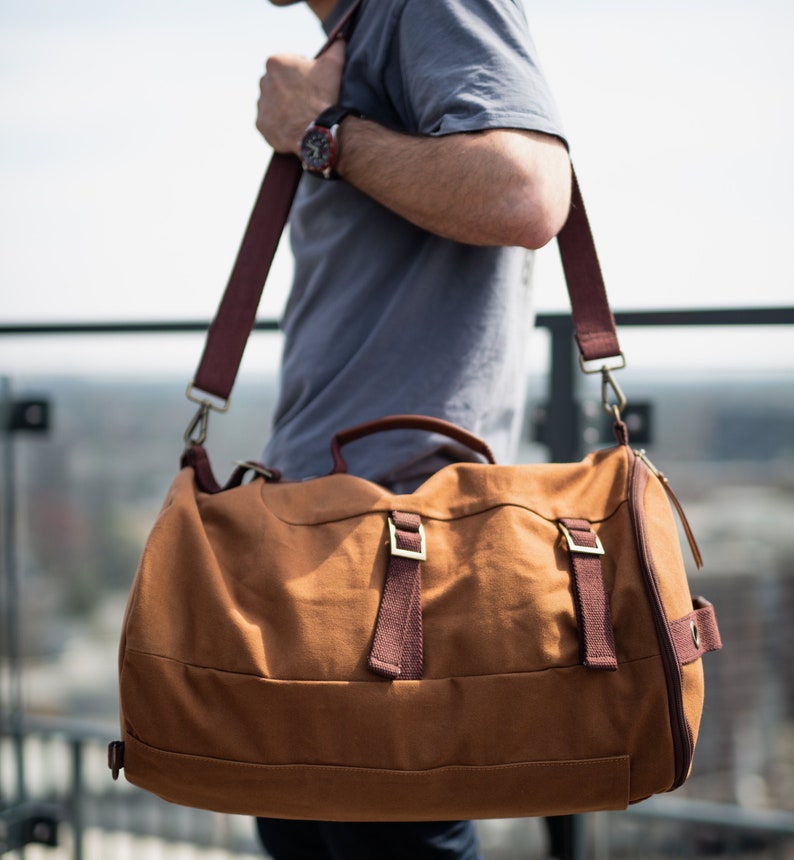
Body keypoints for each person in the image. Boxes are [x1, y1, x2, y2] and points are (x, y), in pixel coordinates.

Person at [255, 0, 571, 857]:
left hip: (397, 549)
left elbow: (526, 192)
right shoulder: (360, 30)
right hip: (312, 541)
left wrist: (319, 131)